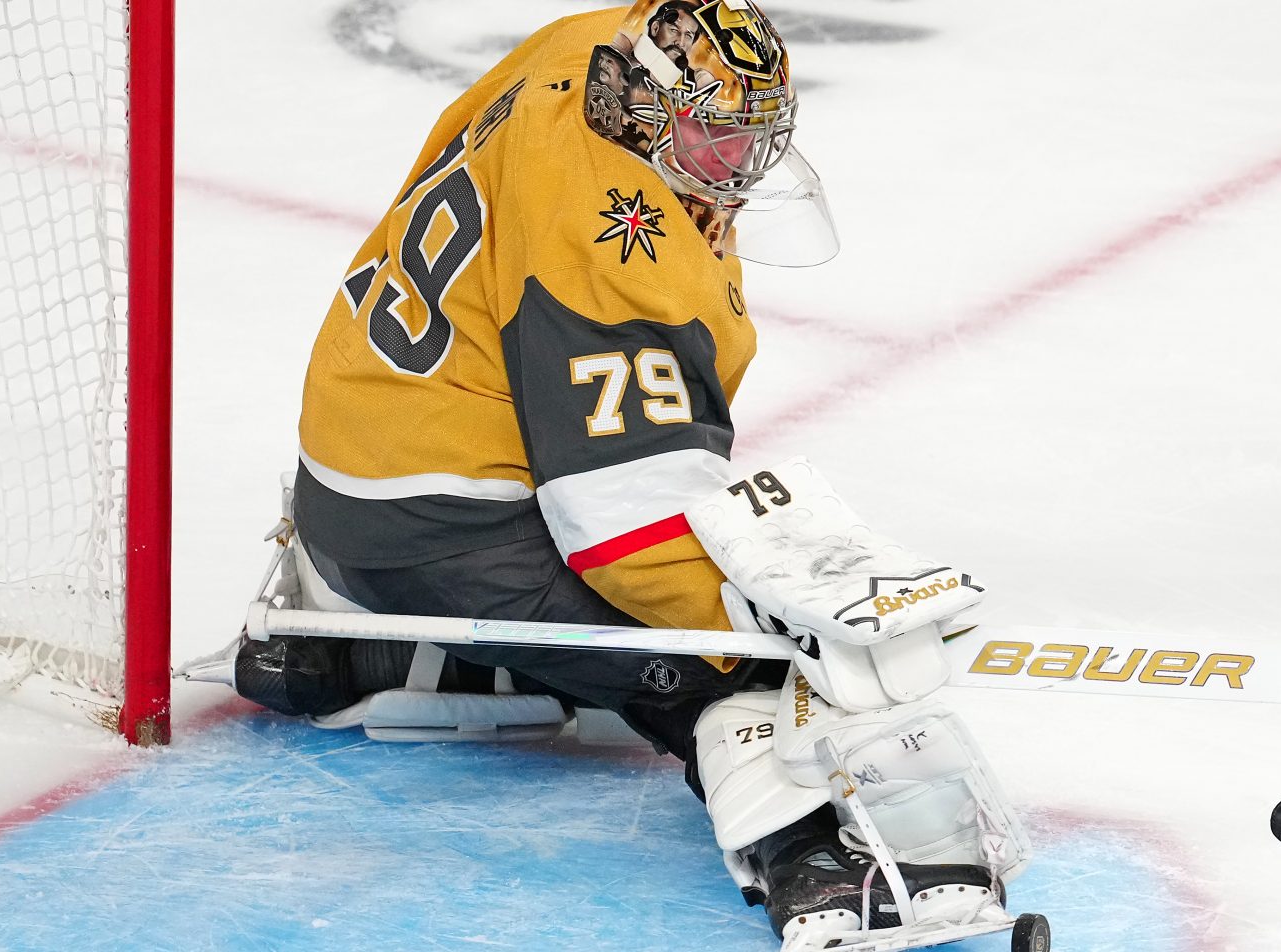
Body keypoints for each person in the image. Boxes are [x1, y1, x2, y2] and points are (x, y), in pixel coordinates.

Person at [191, 2, 1035, 946]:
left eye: (752, 138)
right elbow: (626, 533)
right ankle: (814, 854)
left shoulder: (585, 47)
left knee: (693, 607)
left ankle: (377, 640)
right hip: (449, 528)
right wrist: (777, 633)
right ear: (646, 106)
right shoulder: (611, 253)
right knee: (737, 671)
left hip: (355, 470)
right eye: (715, 139)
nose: (739, 169)